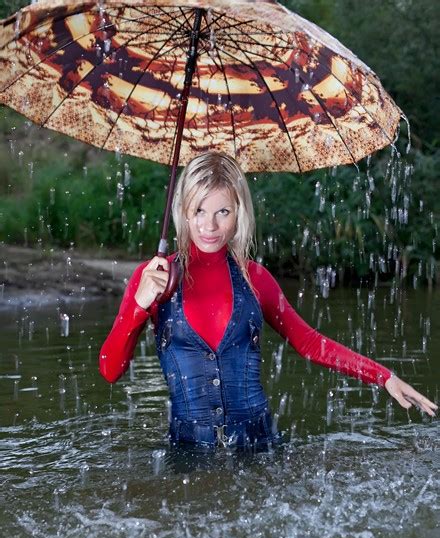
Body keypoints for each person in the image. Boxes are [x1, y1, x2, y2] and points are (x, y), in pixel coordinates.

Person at [99, 152, 437, 447]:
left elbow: (310, 343)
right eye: (199, 210)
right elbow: (110, 371)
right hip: (188, 453)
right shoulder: (153, 279)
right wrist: (138, 307)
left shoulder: (255, 279)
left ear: (239, 213)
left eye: (223, 211)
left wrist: (384, 376)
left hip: (259, 445)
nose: (210, 226)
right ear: (184, 211)